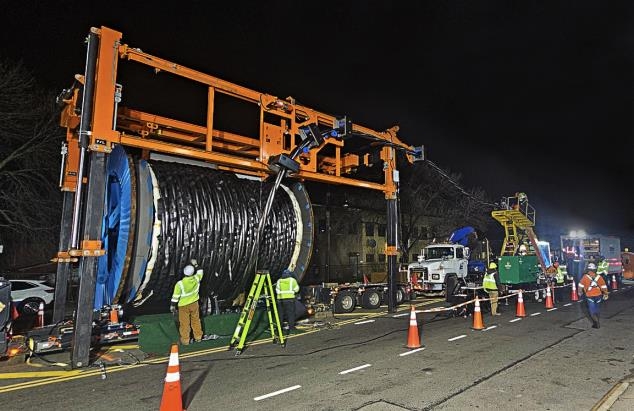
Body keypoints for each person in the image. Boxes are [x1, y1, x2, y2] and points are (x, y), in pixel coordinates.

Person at [170, 259, 204, 345]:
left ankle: (185, 340)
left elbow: (175, 297)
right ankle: (198, 337)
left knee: (184, 323)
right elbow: (200, 271)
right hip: (194, 304)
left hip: (183, 306)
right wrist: (195, 264)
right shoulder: (196, 279)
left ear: (184, 272)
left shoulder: (180, 284)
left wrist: (172, 306)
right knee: (196, 320)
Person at [577, 262, 609, 329]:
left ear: (588, 270)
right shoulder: (599, 277)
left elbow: (580, 286)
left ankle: (596, 323)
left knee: (592, 311)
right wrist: (605, 294)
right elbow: (603, 286)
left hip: (590, 296)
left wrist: (580, 292)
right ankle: (596, 322)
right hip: (599, 296)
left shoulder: (585, 277)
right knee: (597, 309)